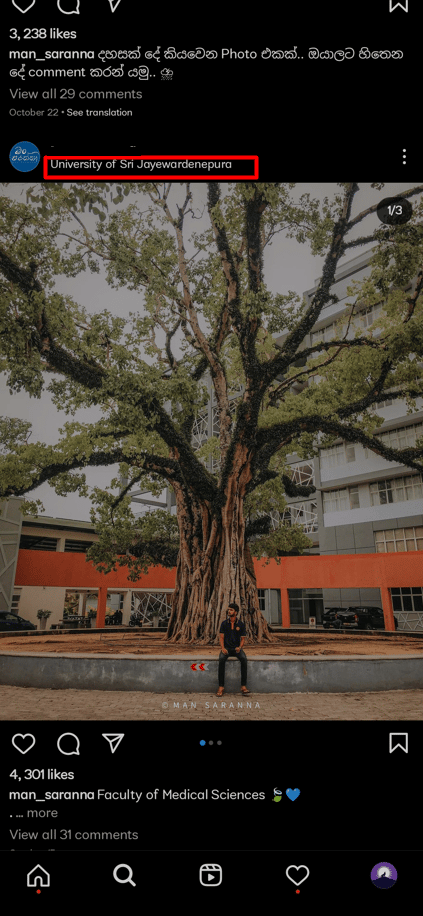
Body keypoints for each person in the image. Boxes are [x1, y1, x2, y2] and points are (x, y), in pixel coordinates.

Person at [217, 602, 250, 696]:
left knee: (244, 659)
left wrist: (240, 647)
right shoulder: (224, 624)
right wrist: (223, 648)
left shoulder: (241, 624)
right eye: (229, 609)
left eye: (231, 610)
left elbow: (243, 639)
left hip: (236, 649)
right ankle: (221, 687)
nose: (229, 611)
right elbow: (221, 638)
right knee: (221, 660)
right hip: (226, 649)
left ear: (236, 612)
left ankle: (243, 686)